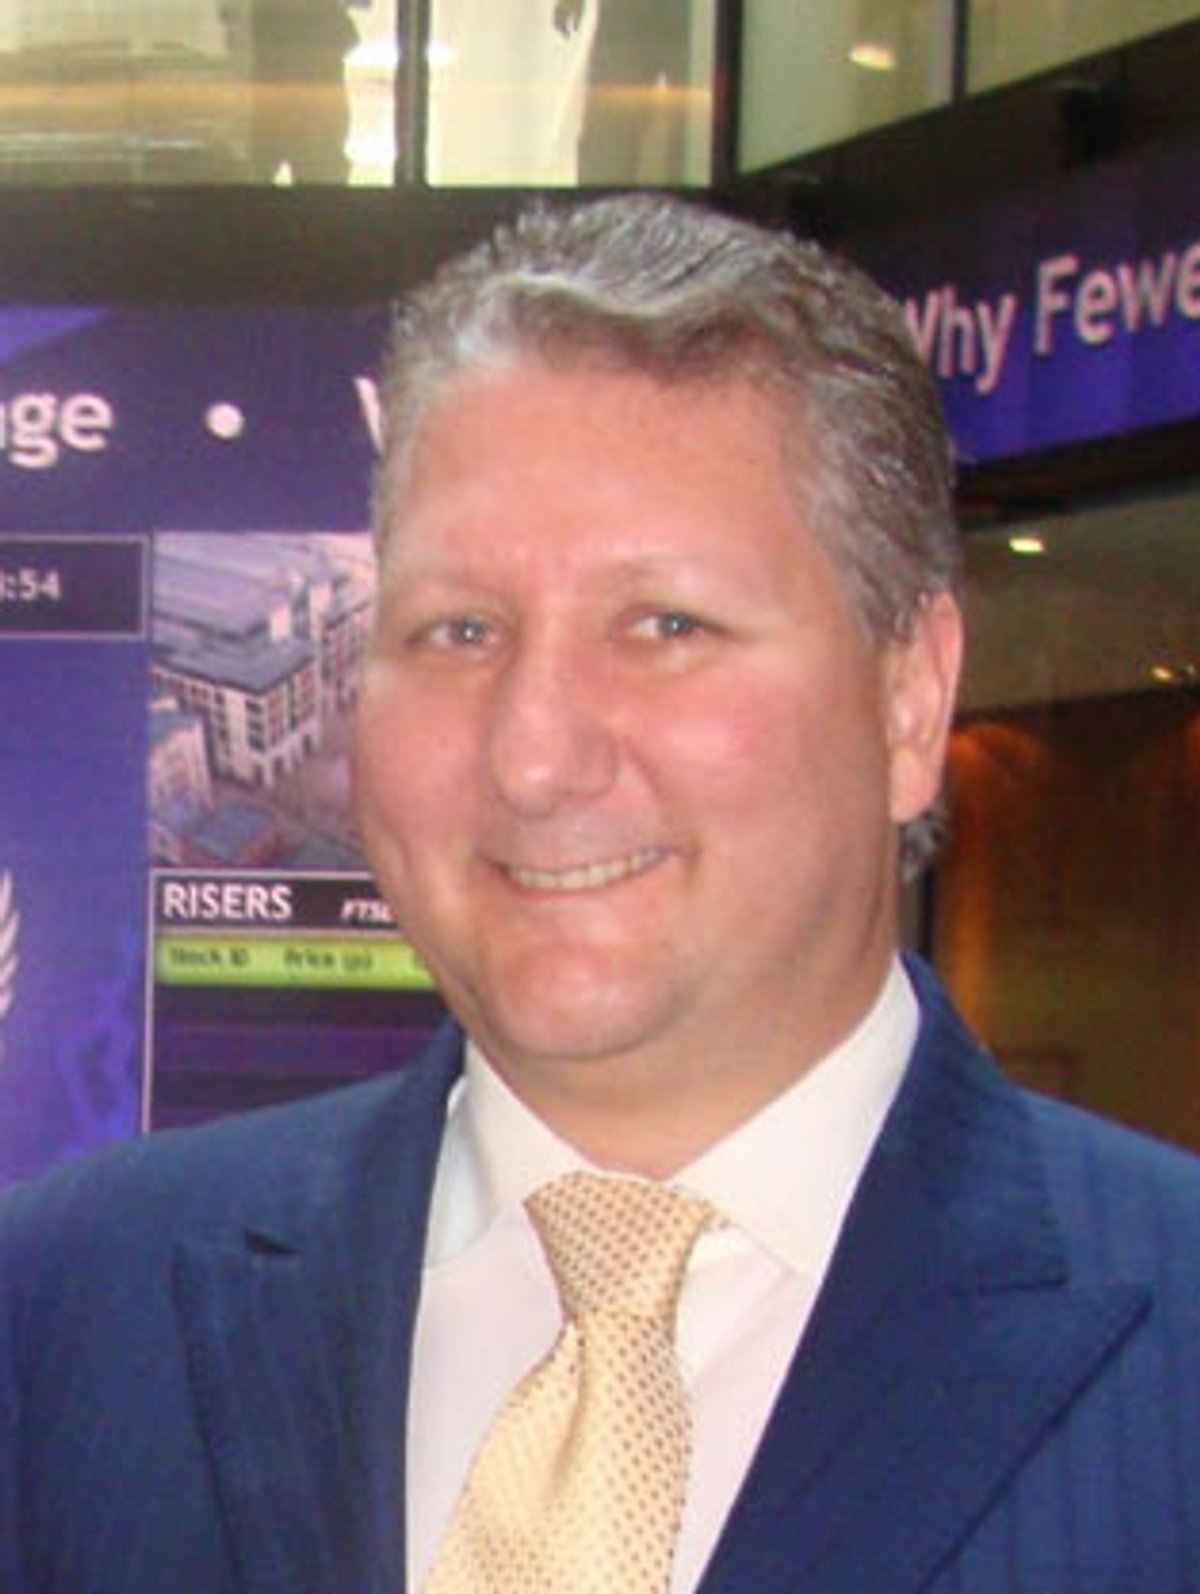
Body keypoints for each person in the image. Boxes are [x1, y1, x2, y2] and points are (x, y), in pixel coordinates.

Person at [2, 194, 1198, 1594]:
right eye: (459, 629)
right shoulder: (68, 1311)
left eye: (666, 625)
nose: (533, 753)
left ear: (908, 697)